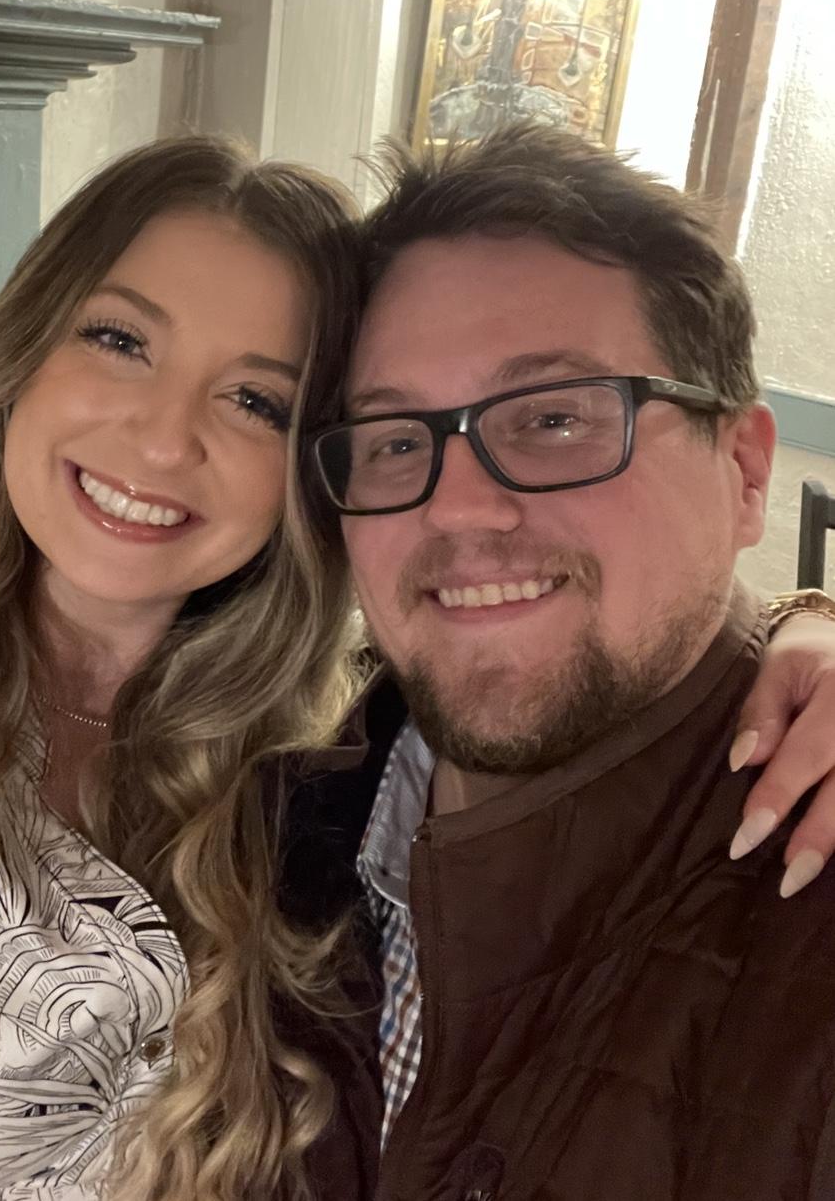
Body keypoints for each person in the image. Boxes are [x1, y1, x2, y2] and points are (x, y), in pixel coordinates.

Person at [0, 134, 835, 1201]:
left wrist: (792, 627)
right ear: (21, 357)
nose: (163, 439)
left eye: (256, 400)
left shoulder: (313, 769)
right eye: (118, 340)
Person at [294, 121, 835, 1200]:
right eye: (395, 440)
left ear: (743, 471)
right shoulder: (256, 840)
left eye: (553, 418)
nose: (460, 507)